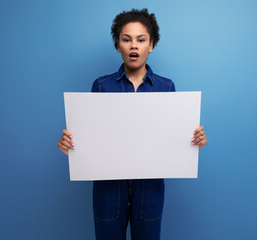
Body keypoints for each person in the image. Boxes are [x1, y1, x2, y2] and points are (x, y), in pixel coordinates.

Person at [57, 8, 207, 240]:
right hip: (108, 187)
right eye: (126, 40)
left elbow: (173, 138)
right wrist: (69, 143)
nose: (133, 45)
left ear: (151, 45)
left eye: (141, 39)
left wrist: (194, 140)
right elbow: (90, 135)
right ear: (118, 46)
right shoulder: (101, 85)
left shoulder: (166, 87)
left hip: (150, 187)